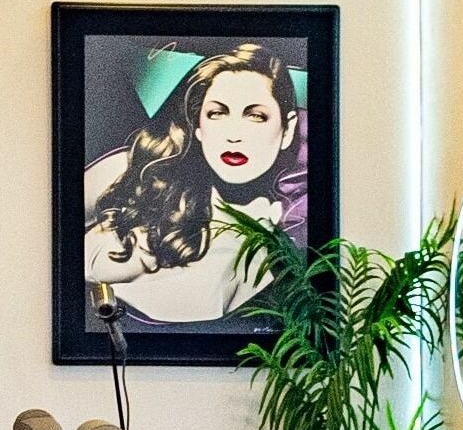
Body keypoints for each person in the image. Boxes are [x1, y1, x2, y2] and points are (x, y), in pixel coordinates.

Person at [81, 43, 305, 325]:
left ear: (288, 129)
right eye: (217, 113)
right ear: (198, 126)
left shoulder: (272, 251)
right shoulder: (137, 169)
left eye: (256, 115)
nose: (234, 134)